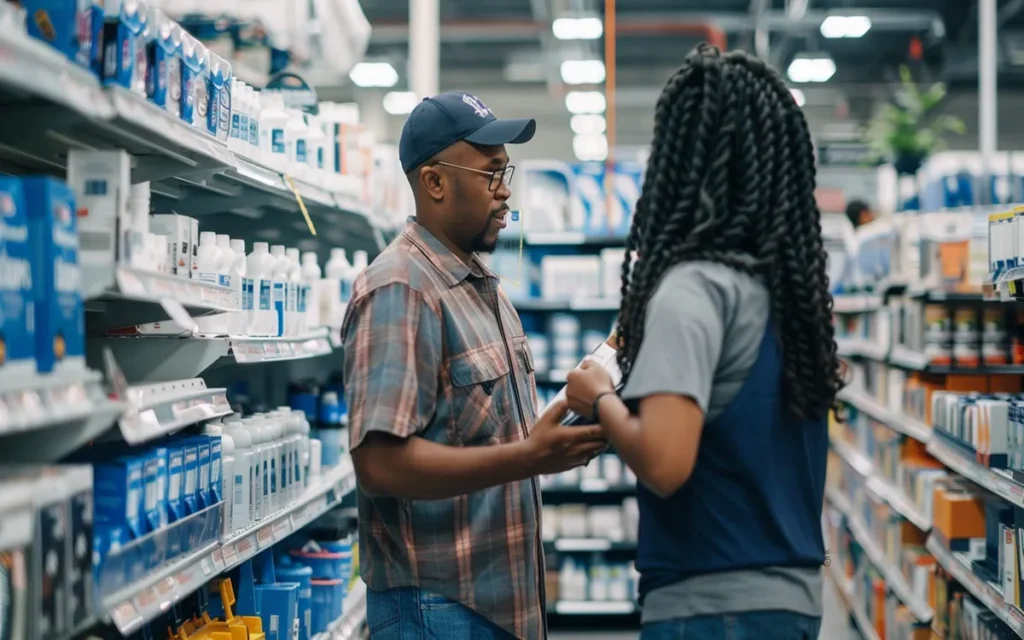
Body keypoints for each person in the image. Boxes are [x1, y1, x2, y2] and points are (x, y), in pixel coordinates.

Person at [565, 45, 842, 640]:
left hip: (711, 608)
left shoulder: (692, 290)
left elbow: (665, 464)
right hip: (790, 602)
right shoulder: (788, 295)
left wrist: (599, 400)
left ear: (682, 160)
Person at [341, 92, 607, 640]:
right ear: (435, 183)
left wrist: (564, 423)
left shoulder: (482, 286)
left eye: (505, 171)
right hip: (438, 611)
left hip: (498, 604)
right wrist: (527, 457)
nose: (506, 189)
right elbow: (379, 465)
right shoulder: (402, 287)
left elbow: (485, 435)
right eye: (490, 173)